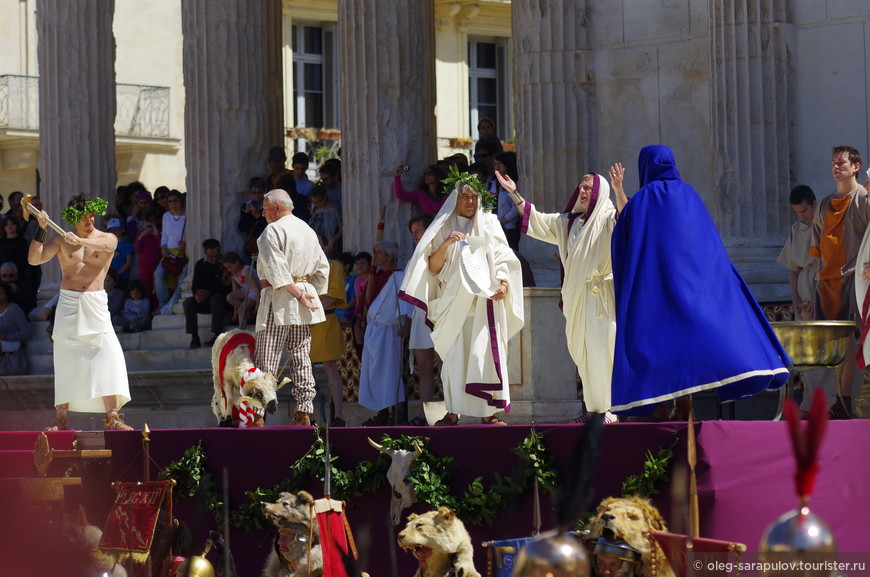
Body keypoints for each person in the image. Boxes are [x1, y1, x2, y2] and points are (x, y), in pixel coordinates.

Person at [610, 145, 790, 413]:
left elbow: (626, 227)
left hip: (657, 288)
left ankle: (662, 405)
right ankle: (686, 403)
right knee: (693, 340)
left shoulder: (643, 199)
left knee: (658, 341)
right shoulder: (689, 195)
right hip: (695, 286)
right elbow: (708, 244)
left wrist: (619, 191)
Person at [496, 168, 619, 423]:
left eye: (589, 188)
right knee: (581, 352)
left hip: (599, 297)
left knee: (601, 350)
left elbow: (626, 220)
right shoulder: (568, 223)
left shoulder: (607, 219)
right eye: (582, 187)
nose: (584, 192)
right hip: (576, 298)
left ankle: (608, 408)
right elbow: (537, 219)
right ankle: (593, 409)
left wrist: (618, 190)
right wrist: (514, 193)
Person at [400, 172, 524, 425]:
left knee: (484, 356)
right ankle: (453, 412)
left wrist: (503, 282)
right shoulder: (444, 225)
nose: (469, 201)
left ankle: (489, 414)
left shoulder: (489, 223)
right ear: (456, 199)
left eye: (474, 196)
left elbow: (504, 257)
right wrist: (446, 244)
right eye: (465, 196)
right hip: (453, 305)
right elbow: (433, 268)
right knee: (453, 361)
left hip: (483, 304)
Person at [29, 193, 133, 431]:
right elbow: (34, 259)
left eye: (91, 216)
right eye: (84, 217)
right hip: (68, 302)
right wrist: (41, 229)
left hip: (95, 301)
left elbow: (108, 246)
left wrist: (81, 241)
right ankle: (61, 418)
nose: (89, 221)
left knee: (109, 354)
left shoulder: (106, 238)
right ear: (74, 218)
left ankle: (113, 416)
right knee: (66, 356)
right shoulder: (60, 240)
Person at [253, 188, 330, 426]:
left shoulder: (272, 230)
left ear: (277, 208)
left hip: (280, 298)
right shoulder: (307, 230)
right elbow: (321, 268)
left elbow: (277, 271)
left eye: (265, 208)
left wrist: (298, 293)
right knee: (301, 357)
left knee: (267, 357)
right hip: (301, 298)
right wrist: (308, 292)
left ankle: (258, 414)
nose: (263, 213)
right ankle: (304, 411)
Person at [814, 146, 870, 419]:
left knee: (866, 339)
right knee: (839, 345)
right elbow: (818, 241)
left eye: (842, 162)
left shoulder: (863, 198)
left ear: (856, 166)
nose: (837, 167)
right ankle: (843, 401)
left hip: (858, 281)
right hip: (829, 282)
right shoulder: (824, 203)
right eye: (834, 162)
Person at [778, 185, 838, 415]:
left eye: (805, 210)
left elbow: (827, 263)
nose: (802, 216)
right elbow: (793, 267)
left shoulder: (825, 226)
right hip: (804, 283)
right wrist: (794, 296)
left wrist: (817, 295)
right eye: (798, 212)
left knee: (821, 346)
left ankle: (827, 403)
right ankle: (810, 402)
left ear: (814, 204)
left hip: (821, 283)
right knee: (805, 348)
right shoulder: (796, 228)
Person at [357, 240, 413, 425]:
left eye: (379, 252)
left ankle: (397, 413)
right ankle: (381, 413)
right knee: (374, 373)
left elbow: (404, 304)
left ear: (389, 256)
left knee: (390, 372)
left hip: (390, 332)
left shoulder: (398, 277)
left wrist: (406, 325)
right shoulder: (376, 276)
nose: (376, 256)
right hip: (374, 330)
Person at [309, 240, 348, 426]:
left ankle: (338, 415)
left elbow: (334, 296)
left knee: (330, 368)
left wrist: (312, 311)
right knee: (304, 370)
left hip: (325, 320)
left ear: (325, 247)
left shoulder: (334, 266)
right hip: (307, 324)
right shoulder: (303, 268)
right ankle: (308, 415)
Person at [404, 214, 437, 426]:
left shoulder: (440, 251)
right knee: (424, 368)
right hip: (419, 317)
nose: (414, 236)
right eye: (412, 233)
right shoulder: (413, 257)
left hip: (438, 314)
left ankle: (453, 412)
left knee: (446, 367)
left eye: (417, 231)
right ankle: (425, 414)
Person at [182, 239, 231, 349]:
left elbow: (228, 287)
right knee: (188, 302)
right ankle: (194, 336)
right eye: (211, 257)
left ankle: (217, 334)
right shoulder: (200, 265)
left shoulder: (224, 264)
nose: (214, 259)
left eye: (216, 256)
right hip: (205, 300)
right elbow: (195, 285)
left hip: (220, 300)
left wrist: (209, 292)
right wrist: (197, 294)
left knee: (216, 299)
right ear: (205, 253)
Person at [155, 189, 187, 311]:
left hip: (183, 254)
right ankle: (163, 305)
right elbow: (165, 237)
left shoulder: (188, 216)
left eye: (175, 201)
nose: (173, 204)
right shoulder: (166, 216)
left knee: (180, 282)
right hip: (169, 254)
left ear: (181, 202)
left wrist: (187, 245)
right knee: (158, 275)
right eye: (170, 202)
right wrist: (163, 249)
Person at [0, 281, 33, 375]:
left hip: (13, 344)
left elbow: (27, 331)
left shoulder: (14, 309)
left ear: (6, 294)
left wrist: (7, 337)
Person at [221, 250, 260, 330]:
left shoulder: (247, 271)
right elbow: (234, 291)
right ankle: (247, 312)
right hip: (247, 290)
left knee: (241, 309)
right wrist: (235, 311)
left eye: (230, 267)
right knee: (230, 297)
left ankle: (242, 330)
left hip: (255, 291)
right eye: (227, 268)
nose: (228, 270)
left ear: (237, 263)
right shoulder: (233, 275)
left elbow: (256, 288)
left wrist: (257, 305)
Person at [308, 186, 343, 257]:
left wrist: (332, 240)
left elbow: (342, 229)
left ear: (324, 197)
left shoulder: (334, 211)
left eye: (318, 202)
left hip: (330, 249)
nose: (317, 204)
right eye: (314, 203)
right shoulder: (315, 211)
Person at [238, 177, 268, 258]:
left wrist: (258, 215)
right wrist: (247, 214)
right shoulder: (247, 205)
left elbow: (269, 225)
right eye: (254, 193)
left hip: (266, 244)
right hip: (252, 243)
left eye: (259, 192)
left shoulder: (268, 206)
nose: (257, 195)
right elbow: (242, 228)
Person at [106, 217, 134, 291]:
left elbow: (128, 262)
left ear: (122, 230)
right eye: (111, 230)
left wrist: (118, 273)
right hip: (109, 277)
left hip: (122, 276)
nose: (114, 232)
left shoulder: (127, 245)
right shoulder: (108, 244)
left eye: (116, 230)